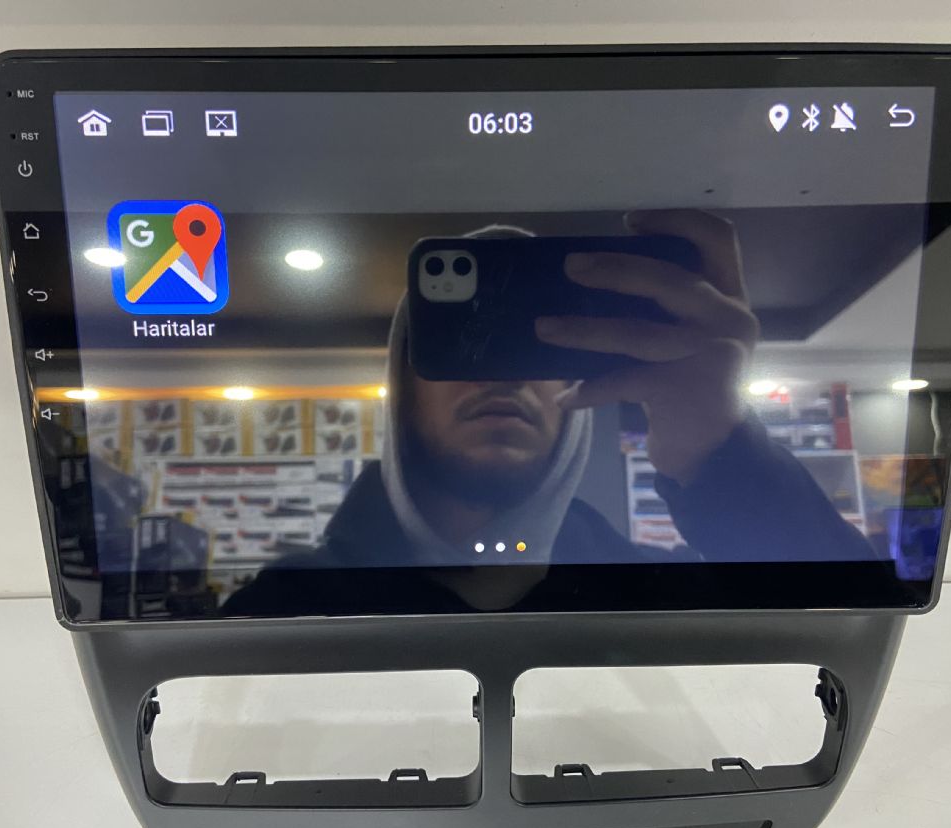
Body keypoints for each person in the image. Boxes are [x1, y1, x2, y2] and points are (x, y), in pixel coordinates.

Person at [224, 210, 871, 616]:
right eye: (468, 344)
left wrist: (723, 457)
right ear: (402, 385)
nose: (502, 375)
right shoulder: (282, 609)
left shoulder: (658, 596)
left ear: (578, 374)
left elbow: (848, 639)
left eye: (533, 344)